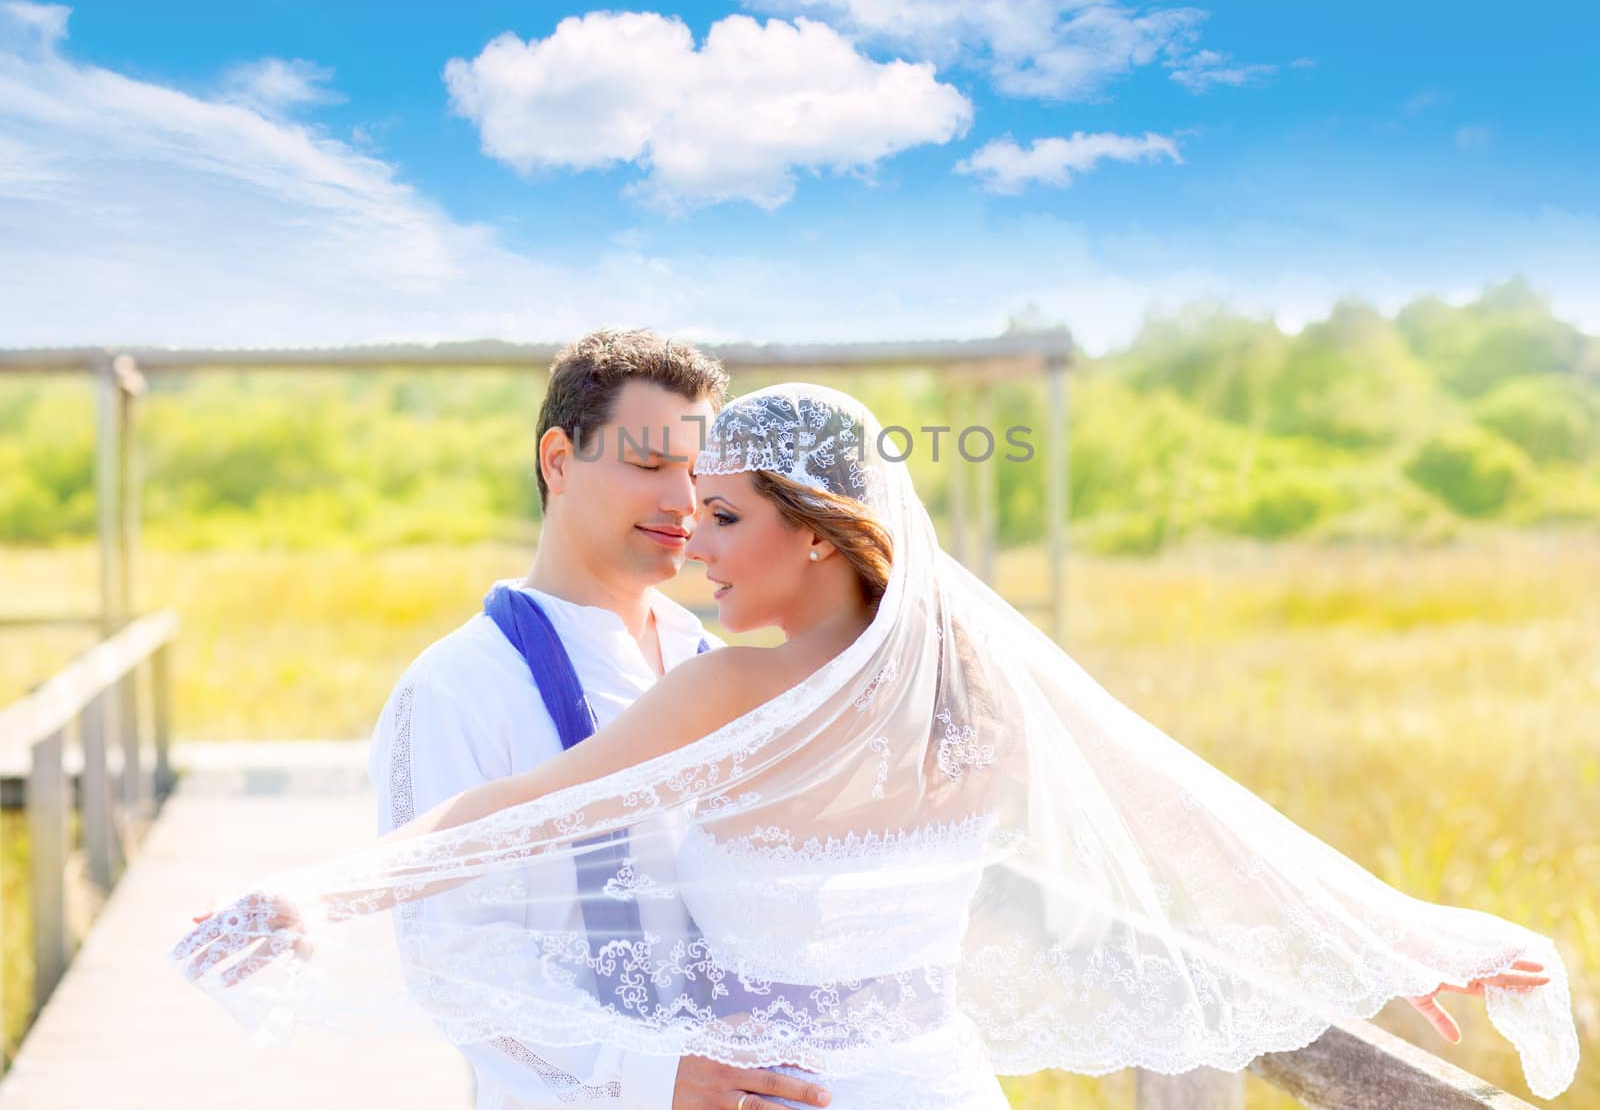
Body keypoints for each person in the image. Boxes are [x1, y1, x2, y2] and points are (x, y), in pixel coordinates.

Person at [172, 382, 1579, 1107]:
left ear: (820, 529)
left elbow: (500, 813)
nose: (692, 543)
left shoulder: (735, 690)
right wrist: (1406, 939)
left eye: (725, 517)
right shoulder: (977, 681)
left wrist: (314, 892)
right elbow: (1200, 824)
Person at [366, 329, 834, 1110]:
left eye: (698, 473)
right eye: (650, 465)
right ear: (558, 459)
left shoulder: (716, 665)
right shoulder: (456, 686)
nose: (683, 503)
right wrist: (648, 1075)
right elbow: (449, 952)